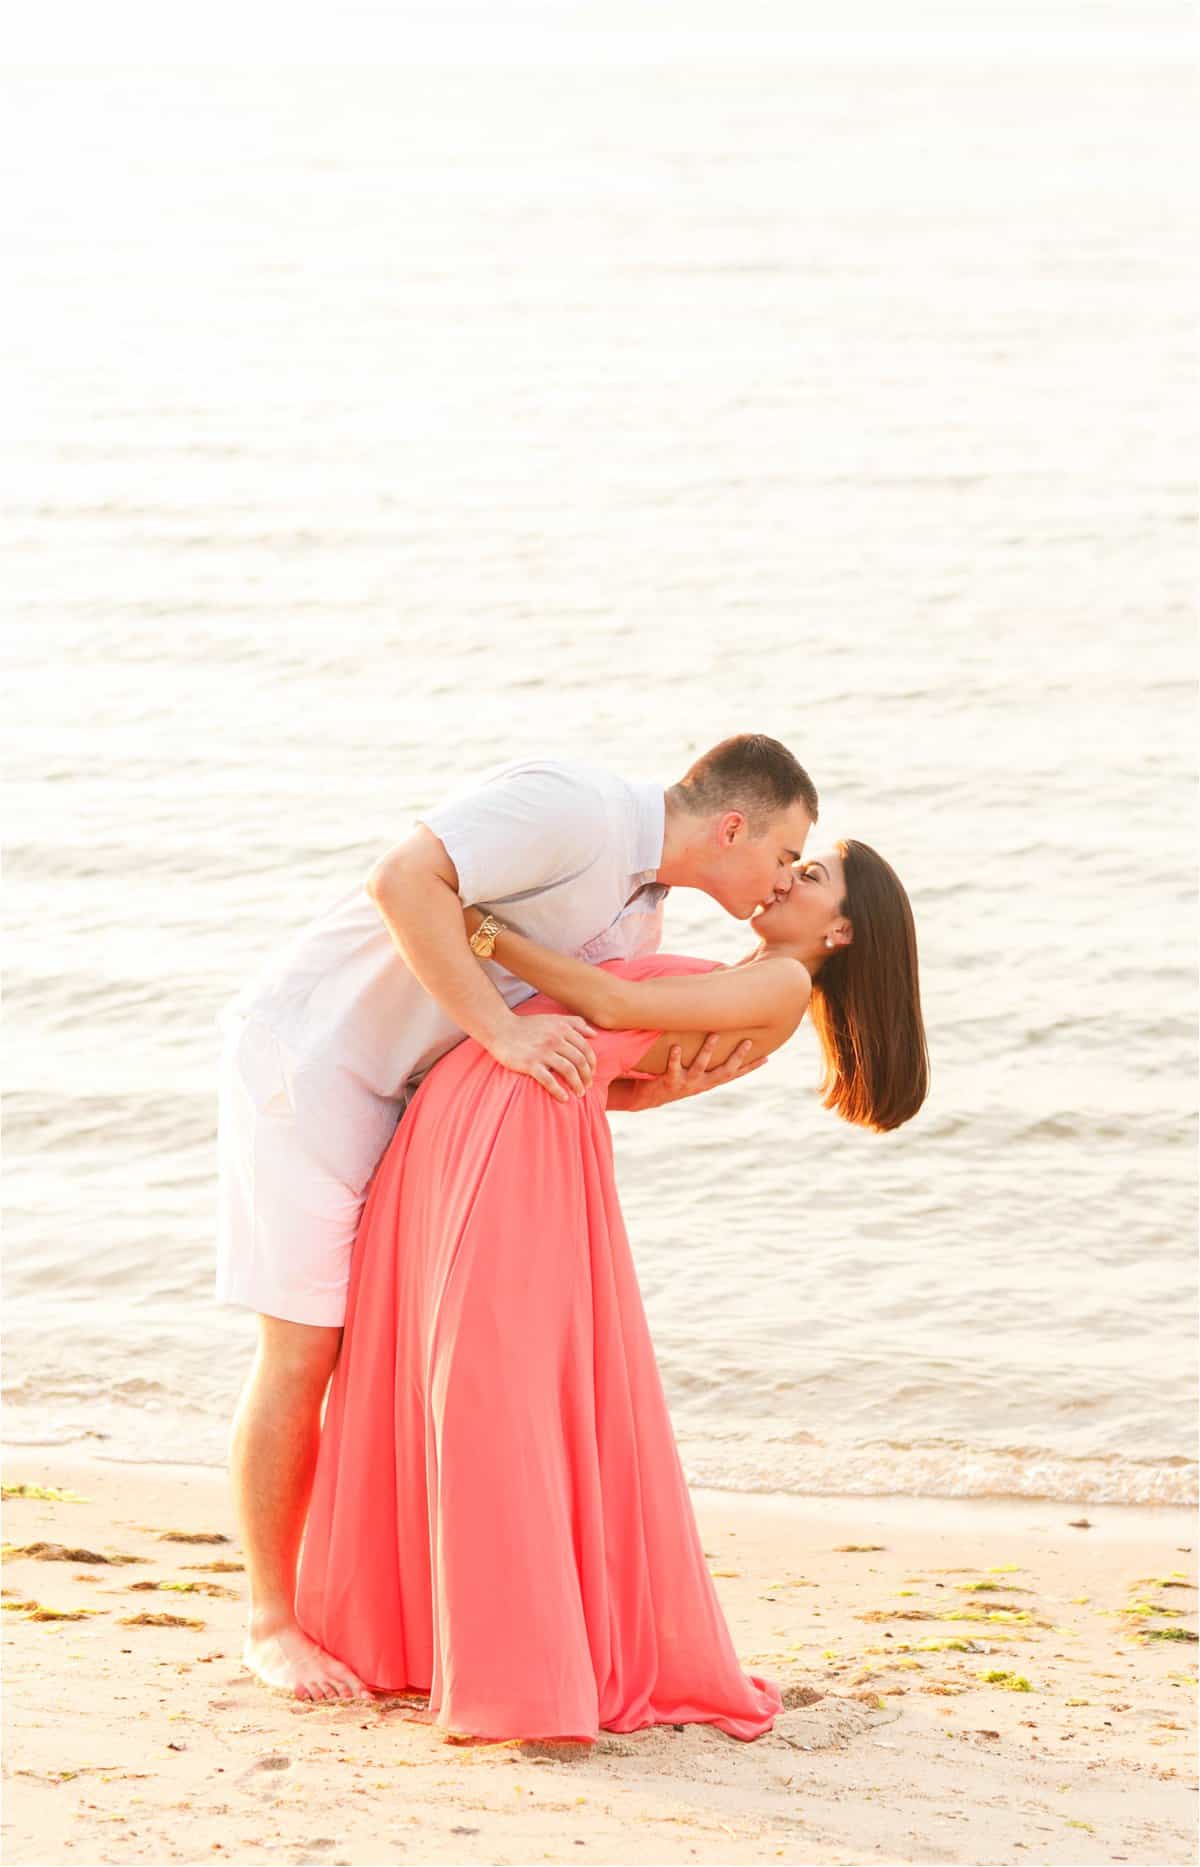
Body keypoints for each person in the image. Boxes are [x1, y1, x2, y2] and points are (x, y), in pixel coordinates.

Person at [216, 734, 820, 1698]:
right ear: (735, 825)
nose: (782, 879)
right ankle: (271, 1622)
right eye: (786, 855)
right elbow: (402, 879)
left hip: (414, 1101)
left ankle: (392, 1616)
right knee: (303, 1350)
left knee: (382, 1355)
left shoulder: (641, 924)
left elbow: (564, 1048)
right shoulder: (573, 806)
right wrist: (502, 1030)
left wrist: (642, 1090)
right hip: (316, 1065)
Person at [294, 838, 927, 1744]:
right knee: (454, 1374)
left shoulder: (783, 985)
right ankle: (442, 1640)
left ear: (843, 930)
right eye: (794, 860)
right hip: (499, 1102)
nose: (786, 877)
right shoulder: (745, 974)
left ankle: (511, 1662)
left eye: (811, 874)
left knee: (487, 1388)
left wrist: (484, 935)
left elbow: (614, 1002)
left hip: (517, 1120)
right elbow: (618, 1068)